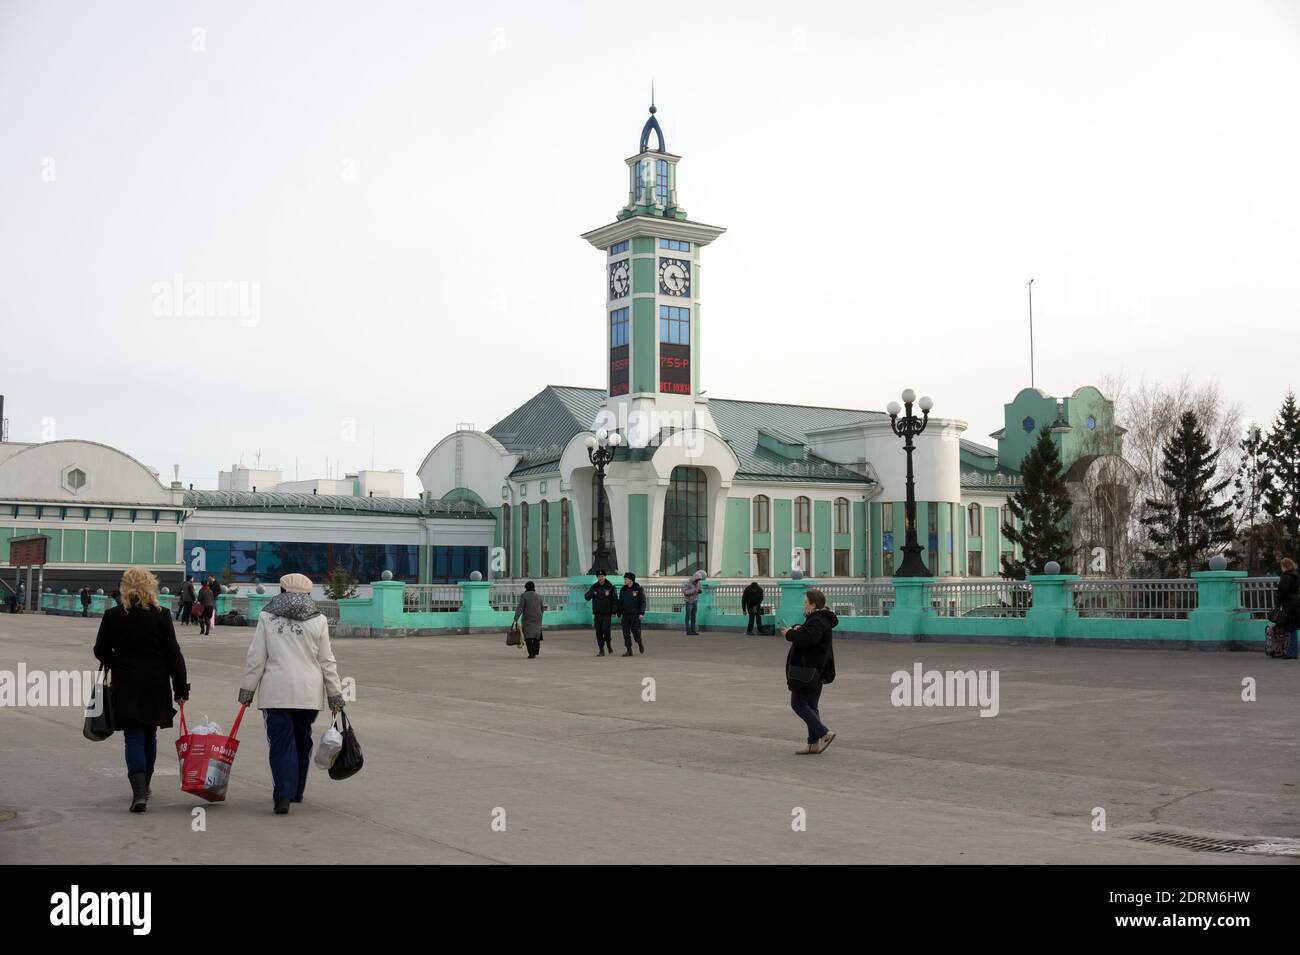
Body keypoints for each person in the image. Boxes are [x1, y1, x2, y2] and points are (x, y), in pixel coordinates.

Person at [238, 573, 344, 815]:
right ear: (308, 594)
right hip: (308, 693)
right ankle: (296, 792)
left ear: (282, 591)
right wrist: (335, 695)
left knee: (281, 744)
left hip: (276, 692)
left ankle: (283, 796)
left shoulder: (267, 616)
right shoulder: (319, 620)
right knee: (301, 741)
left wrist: (248, 690)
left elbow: (256, 657)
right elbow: (327, 661)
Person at [93, 567, 189, 812]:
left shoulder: (113, 615)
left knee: (133, 736)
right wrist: (181, 687)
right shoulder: (162, 615)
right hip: (156, 683)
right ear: (150, 586)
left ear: (125, 587)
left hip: (126, 683)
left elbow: (100, 650)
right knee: (149, 735)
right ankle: (144, 786)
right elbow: (173, 654)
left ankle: (138, 793)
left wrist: (119, 663)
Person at [781, 587, 837, 755]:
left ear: (813, 605)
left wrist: (790, 633)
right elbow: (811, 635)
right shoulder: (818, 619)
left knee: (797, 703)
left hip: (808, 669)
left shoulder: (817, 620)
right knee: (811, 706)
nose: (803, 606)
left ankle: (824, 733)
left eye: (805, 602)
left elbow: (809, 640)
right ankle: (813, 744)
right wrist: (799, 628)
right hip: (817, 669)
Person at [585, 571, 617, 656]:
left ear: (605, 576)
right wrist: (591, 593)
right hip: (597, 613)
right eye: (599, 576)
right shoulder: (594, 587)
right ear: (597, 577)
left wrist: (614, 611)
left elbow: (614, 600)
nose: (601, 578)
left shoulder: (610, 586)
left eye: (602, 576)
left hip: (607, 613)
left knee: (605, 630)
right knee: (598, 632)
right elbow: (587, 597)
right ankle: (601, 650)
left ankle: (608, 644)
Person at [615, 571, 646, 656]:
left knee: (636, 633)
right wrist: (619, 613)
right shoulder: (623, 589)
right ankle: (629, 650)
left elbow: (643, 602)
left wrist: (641, 613)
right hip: (625, 615)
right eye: (624, 579)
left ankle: (639, 643)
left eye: (626, 579)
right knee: (625, 633)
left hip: (635, 615)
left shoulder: (638, 588)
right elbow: (620, 602)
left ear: (631, 580)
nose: (624, 580)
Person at [1275, 557, 1299, 660]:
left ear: (1284, 566)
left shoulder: (1286, 576)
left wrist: (1278, 602)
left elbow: (1283, 591)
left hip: (1288, 604)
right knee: (1293, 628)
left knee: (1291, 628)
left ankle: (1291, 652)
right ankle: (1291, 651)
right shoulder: (1295, 575)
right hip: (1295, 602)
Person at [513, 581, 545, 658]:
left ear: (526, 587)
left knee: (528, 636)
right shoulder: (538, 596)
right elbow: (542, 609)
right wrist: (540, 616)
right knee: (536, 635)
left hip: (528, 618)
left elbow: (520, 608)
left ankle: (531, 653)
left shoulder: (524, 596)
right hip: (538, 617)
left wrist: (516, 618)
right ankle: (536, 651)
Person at [681, 570, 705, 635]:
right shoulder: (687, 583)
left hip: (695, 600)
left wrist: (700, 591)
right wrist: (694, 590)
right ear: (694, 578)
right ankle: (688, 630)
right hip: (688, 601)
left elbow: (700, 589)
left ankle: (693, 629)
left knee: (693, 616)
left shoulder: (698, 583)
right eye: (697, 580)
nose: (697, 581)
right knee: (688, 615)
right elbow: (685, 592)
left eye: (699, 580)